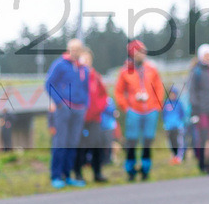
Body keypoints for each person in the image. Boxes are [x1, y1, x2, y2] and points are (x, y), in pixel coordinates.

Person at [115, 40, 165, 181]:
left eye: (143, 51)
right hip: (134, 111)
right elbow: (119, 92)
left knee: (148, 140)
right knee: (132, 140)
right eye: (139, 51)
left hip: (150, 110)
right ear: (132, 53)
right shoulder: (125, 71)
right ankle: (130, 170)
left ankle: (145, 168)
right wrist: (126, 107)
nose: (142, 54)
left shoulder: (151, 69)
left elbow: (159, 88)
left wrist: (157, 105)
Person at [44, 38, 89, 189]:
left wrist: (85, 105)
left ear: (82, 50)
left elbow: (86, 89)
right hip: (64, 109)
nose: (75, 52)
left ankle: (67, 175)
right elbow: (48, 84)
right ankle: (56, 176)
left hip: (79, 109)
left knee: (72, 143)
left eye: (78, 49)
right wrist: (59, 103)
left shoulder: (83, 68)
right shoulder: (60, 64)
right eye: (72, 48)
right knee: (60, 142)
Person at [188, 44, 209, 174]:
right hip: (201, 110)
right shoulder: (196, 72)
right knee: (202, 138)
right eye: (206, 55)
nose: (208, 58)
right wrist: (195, 110)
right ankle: (202, 164)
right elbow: (192, 92)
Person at [75, 51, 108, 183]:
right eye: (83, 58)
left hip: (95, 117)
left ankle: (97, 173)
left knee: (96, 145)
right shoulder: (76, 75)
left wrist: (99, 108)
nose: (86, 61)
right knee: (79, 147)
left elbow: (103, 95)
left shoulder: (96, 76)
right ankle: (78, 173)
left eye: (88, 58)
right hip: (79, 117)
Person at [162, 86, 187, 165]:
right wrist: (165, 126)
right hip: (169, 127)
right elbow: (164, 115)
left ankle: (180, 157)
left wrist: (180, 124)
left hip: (178, 126)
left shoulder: (179, 103)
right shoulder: (166, 104)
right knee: (171, 142)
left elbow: (182, 114)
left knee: (179, 142)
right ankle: (174, 156)